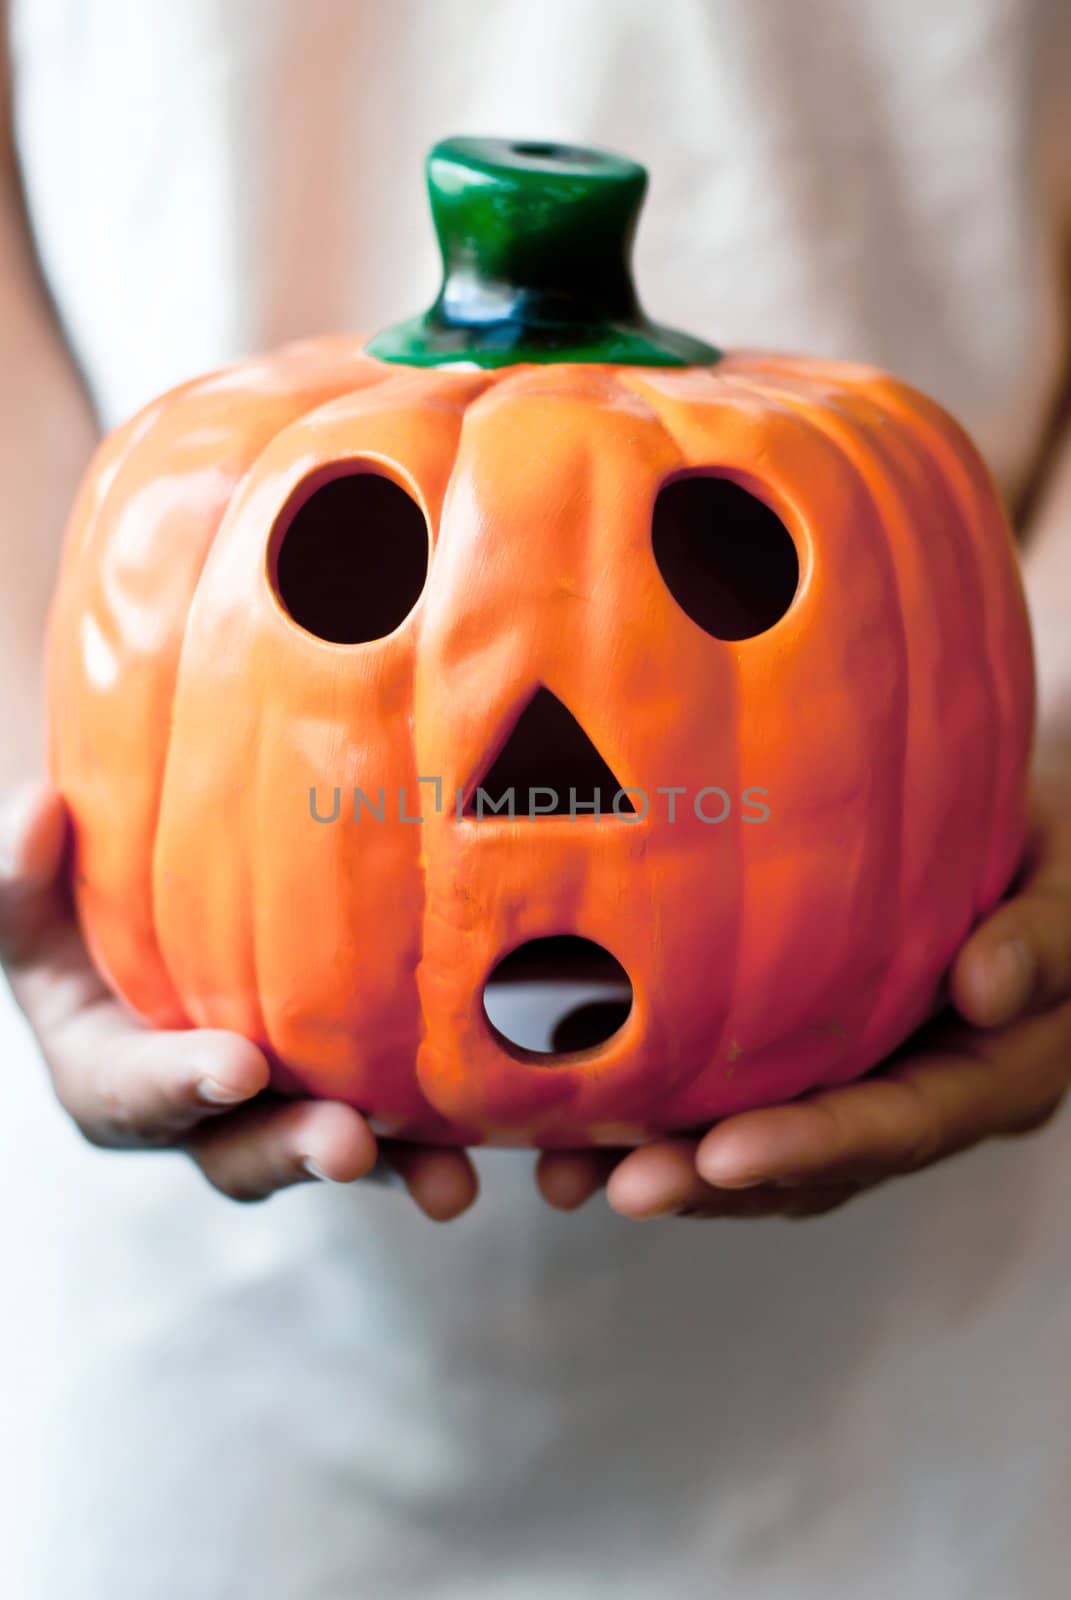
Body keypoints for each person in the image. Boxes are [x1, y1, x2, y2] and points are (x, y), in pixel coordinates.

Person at [2, 1, 1070, 1594]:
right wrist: (62, 759)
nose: (535, 743)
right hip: (200, 1371)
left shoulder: (858, 454)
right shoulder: (214, 462)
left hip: (948, 1355)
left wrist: (1054, 726)